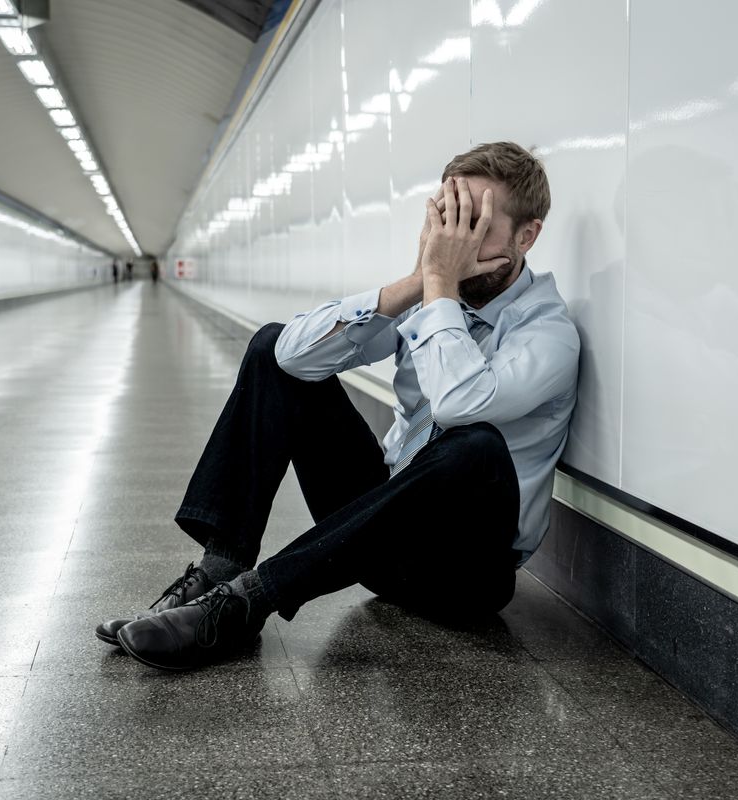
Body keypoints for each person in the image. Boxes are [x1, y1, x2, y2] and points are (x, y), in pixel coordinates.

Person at [96, 141, 580, 671]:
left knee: (478, 447)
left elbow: (456, 404)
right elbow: (290, 357)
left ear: (526, 236)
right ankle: (217, 573)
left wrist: (439, 284)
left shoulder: (549, 332)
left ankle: (243, 605)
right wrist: (419, 282)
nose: (454, 241)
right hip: (377, 544)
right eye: (447, 220)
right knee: (270, 345)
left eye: (474, 225)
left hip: (462, 573)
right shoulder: (436, 291)